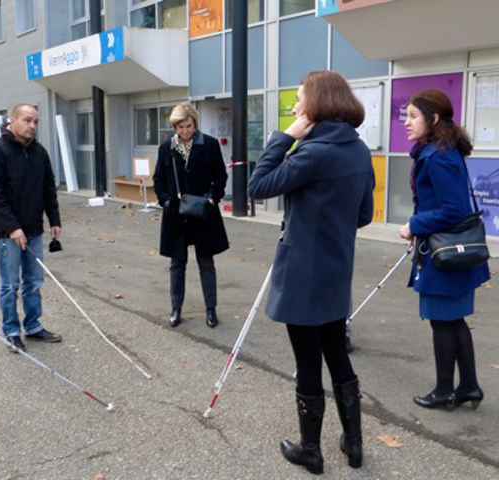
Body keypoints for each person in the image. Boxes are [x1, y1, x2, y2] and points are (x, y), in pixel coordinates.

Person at [248, 70, 374, 474]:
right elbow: (364, 215)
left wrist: (285, 136)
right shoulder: (358, 150)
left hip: (303, 271)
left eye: (299, 100)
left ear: (317, 103)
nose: (296, 107)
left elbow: (258, 185)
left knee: (308, 362)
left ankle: (310, 449)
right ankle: (354, 445)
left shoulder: (312, 152)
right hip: (337, 269)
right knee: (337, 353)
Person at [399, 89, 490, 411]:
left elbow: (453, 209)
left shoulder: (437, 156)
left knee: (443, 320)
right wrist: (420, 227)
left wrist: (415, 225)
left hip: (447, 254)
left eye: (413, 116)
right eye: (406, 115)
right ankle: (468, 387)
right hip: (451, 250)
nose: (406, 123)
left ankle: (443, 391)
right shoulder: (440, 150)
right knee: (454, 320)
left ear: (433, 118)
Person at [0, 104, 63, 352]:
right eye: (27, 120)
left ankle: (33, 326)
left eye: (36, 122)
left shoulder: (39, 152)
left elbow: (49, 188)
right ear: (13, 120)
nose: (32, 126)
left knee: (34, 282)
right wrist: (12, 227)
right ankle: (11, 332)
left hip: (34, 230)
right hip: (10, 234)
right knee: (10, 286)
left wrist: (55, 219)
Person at [153, 102, 229, 328]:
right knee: (177, 263)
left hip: (203, 213)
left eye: (188, 126)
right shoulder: (166, 148)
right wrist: (166, 201)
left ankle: (211, 310)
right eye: (180, 127)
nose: (184, 131)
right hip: (176, 214)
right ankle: (176, 308)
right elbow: (158, 180)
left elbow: (221, 177)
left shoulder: (210, 145)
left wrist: (212, 199)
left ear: (195, 123)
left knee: (206, 262)